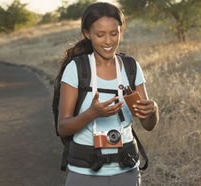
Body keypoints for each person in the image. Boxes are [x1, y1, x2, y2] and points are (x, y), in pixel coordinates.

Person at [57, 2, 159, 186]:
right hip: (84, 172)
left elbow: (148, 125)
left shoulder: (131, 67)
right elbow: (63, 127)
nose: (108, 41)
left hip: (127, 170)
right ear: (87, 34)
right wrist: (92, 114)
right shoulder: (77, 69)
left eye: (114, 33)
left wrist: (153, 111)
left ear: (121, 31)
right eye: (100, 34)